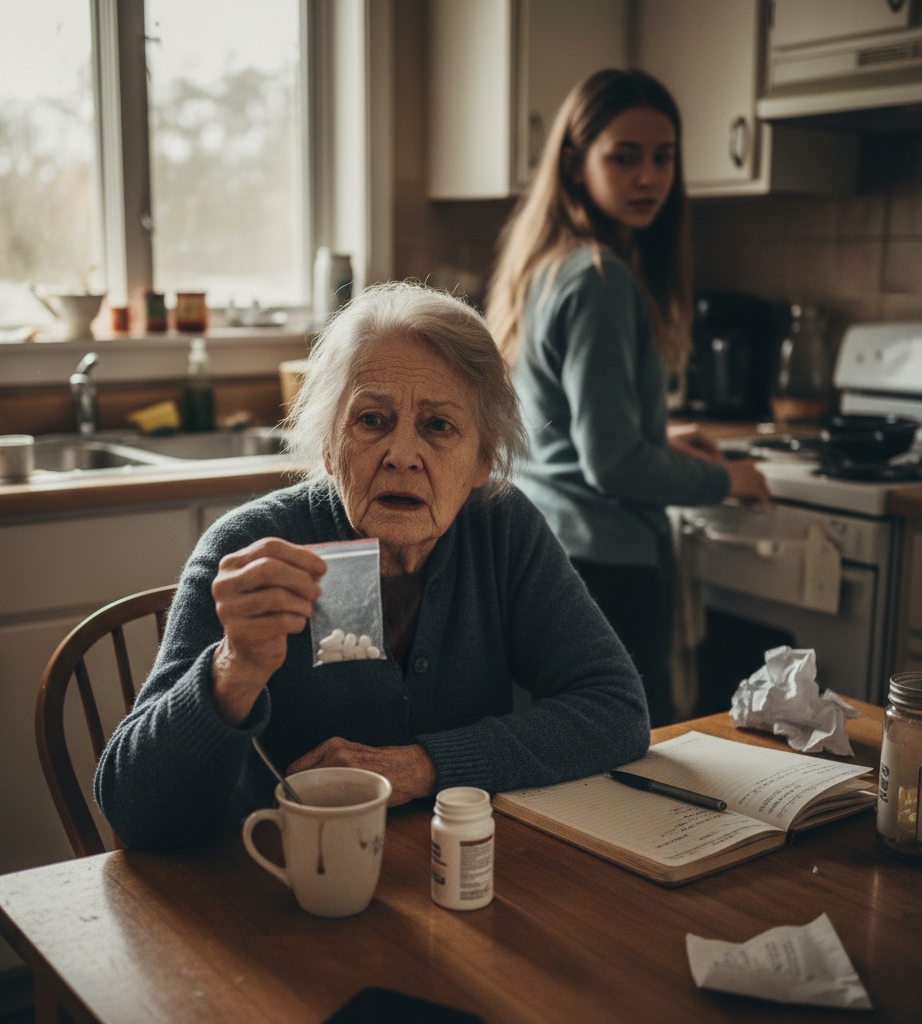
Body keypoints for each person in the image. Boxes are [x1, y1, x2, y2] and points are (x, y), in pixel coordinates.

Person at [95, 281, 650, 850]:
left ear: (483, 459)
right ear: (330, 444)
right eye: (372, 420)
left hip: (450, 874)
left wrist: (422, 766)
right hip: (272, 886)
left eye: (438, 426)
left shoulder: (500, 528)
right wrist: (232, 669)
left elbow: (616, 708)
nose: (402, 455)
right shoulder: (252, 544)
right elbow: (138, 814)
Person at [486, 69, 769, 728]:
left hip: (551, 548)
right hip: (606, 565)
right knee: (627, 751)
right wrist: (725, 477)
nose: (649, 177)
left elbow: (558, 429)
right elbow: (611, 464)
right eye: (625, 156)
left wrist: (657, 442)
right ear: (576, 164)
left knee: (568, 750)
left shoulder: (549, 264)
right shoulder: (602, 280)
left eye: (663, 157)